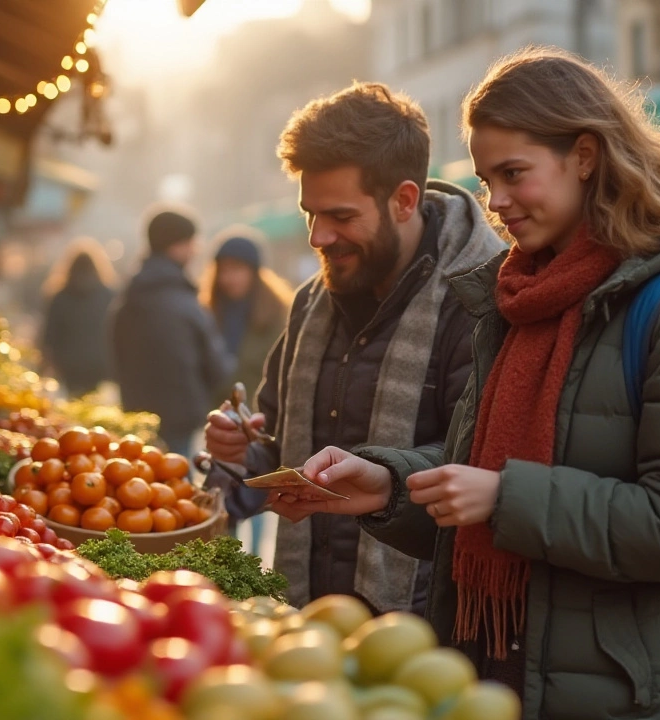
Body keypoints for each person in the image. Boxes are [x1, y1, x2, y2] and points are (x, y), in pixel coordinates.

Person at [278, 48, 660, 719]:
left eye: (513, 174)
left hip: (622, 696)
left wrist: (507, 498)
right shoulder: (520, 300)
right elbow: (479, 471)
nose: (496, 202)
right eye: (484, 179)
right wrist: (389, 484)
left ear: (584, 156)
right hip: (497, 675)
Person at [203, 82, 504, 616]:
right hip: (306, 616)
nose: (319, 237)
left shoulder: (480, 300)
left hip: (424, 630)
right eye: (309, 214)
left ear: (404, 200)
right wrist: (240, 453)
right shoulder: (312, 300)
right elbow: (277, 450)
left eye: (340, 217)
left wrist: (387, 480)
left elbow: (481, 466)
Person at [111, 207, 234, 458]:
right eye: (191, 242)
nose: (195, 250)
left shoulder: (130, 295)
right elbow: (217, 366)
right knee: (176, 480)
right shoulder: (184, 301)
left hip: (137, 413)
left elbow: (114, 352)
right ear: (176, 245)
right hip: (180, 417)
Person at [198, 229, 294, 548]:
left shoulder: (278, 312)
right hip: (224, 423)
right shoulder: (210, 310)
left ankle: (252, 556)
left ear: (254, 272)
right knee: (225, 493)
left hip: (260, 421)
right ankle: (230, 551)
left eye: (238, 269)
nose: (230, 277)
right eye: (224, 269)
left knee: (257, 493)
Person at [40, 238, 118, 398]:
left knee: (75, 406)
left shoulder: (59, 297)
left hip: (69, 366)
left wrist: (47, 365)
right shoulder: (108, 295)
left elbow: (49, 336)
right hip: (101, 364)